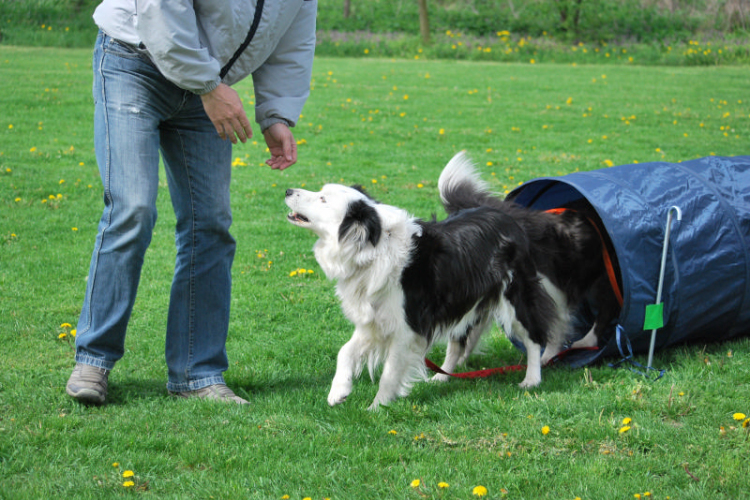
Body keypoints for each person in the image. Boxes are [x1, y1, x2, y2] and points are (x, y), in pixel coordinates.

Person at [66, 0, 317, 405]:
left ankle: (196, 374)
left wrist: (276, 114)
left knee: (211, 224)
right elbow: (161, 9)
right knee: (133, 209)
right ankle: (94, 359)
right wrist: (208, 85)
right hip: (135, 62)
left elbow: (292, 41)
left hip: (208, 86)